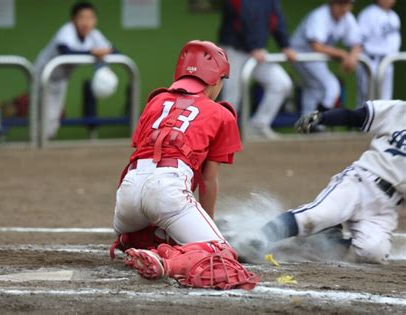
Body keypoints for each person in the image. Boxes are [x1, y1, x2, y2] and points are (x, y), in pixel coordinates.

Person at [111, 40, 260, 290]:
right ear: (214, 80)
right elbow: (209, 181)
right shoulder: (221, 113)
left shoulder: (156, 100)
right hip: (167, 190)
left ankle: (136, 240)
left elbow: (140, 150)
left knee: (162, 223)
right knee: (221, 255)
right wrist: (207, 225)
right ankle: (164, 263)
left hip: (126, 199)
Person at [252, 100, 405, 264]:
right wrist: (322, 118)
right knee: (316, 216)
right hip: (360, 181)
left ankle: (327, 238)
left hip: (387, 207)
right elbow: (353, 117)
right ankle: (255, 239)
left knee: (373, 252)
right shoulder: (397, 110)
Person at [35, 1, 117, 139]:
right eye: (82, 17)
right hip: (42, 76)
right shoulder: (67, 30)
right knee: (44, 118)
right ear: (73, 19)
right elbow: (65, 51)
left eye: (90, 18)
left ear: (95, 20)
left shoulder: (94, 34)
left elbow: (113, 50)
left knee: (54, 119)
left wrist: (104, 53)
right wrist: (92, 53)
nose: (86, 22)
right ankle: (36, 149)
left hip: (60, 79)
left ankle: (44, 147)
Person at [218, 0, 296, 139]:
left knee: (281, 83)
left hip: (256, 51)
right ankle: (222, 138)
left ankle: (258, 126)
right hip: (234, 50)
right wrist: (252, 46)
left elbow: (276, 20)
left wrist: (285, 45)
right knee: (231, 97)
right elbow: (240, 21)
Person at [290, 0, 363, 114]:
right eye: (341, 4)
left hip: (316, 58)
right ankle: (318, 121)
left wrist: (352, 57)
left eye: (348, 4)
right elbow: (316, 46)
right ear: (332, 3)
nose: (344, 8)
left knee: (314, 89)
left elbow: (357, 44)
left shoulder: (347, 18)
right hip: (302, 54)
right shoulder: (319, 16)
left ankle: (307, 125)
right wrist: (343, 54)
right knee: (331, 87)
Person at [356, 0, 401, 105]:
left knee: (385, 101)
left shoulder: (394, 16)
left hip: (387, 62)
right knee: (366, 102)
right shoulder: (368, 14)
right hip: (370, 61)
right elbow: (358, 40)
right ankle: (364, 122)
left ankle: (381, 122)